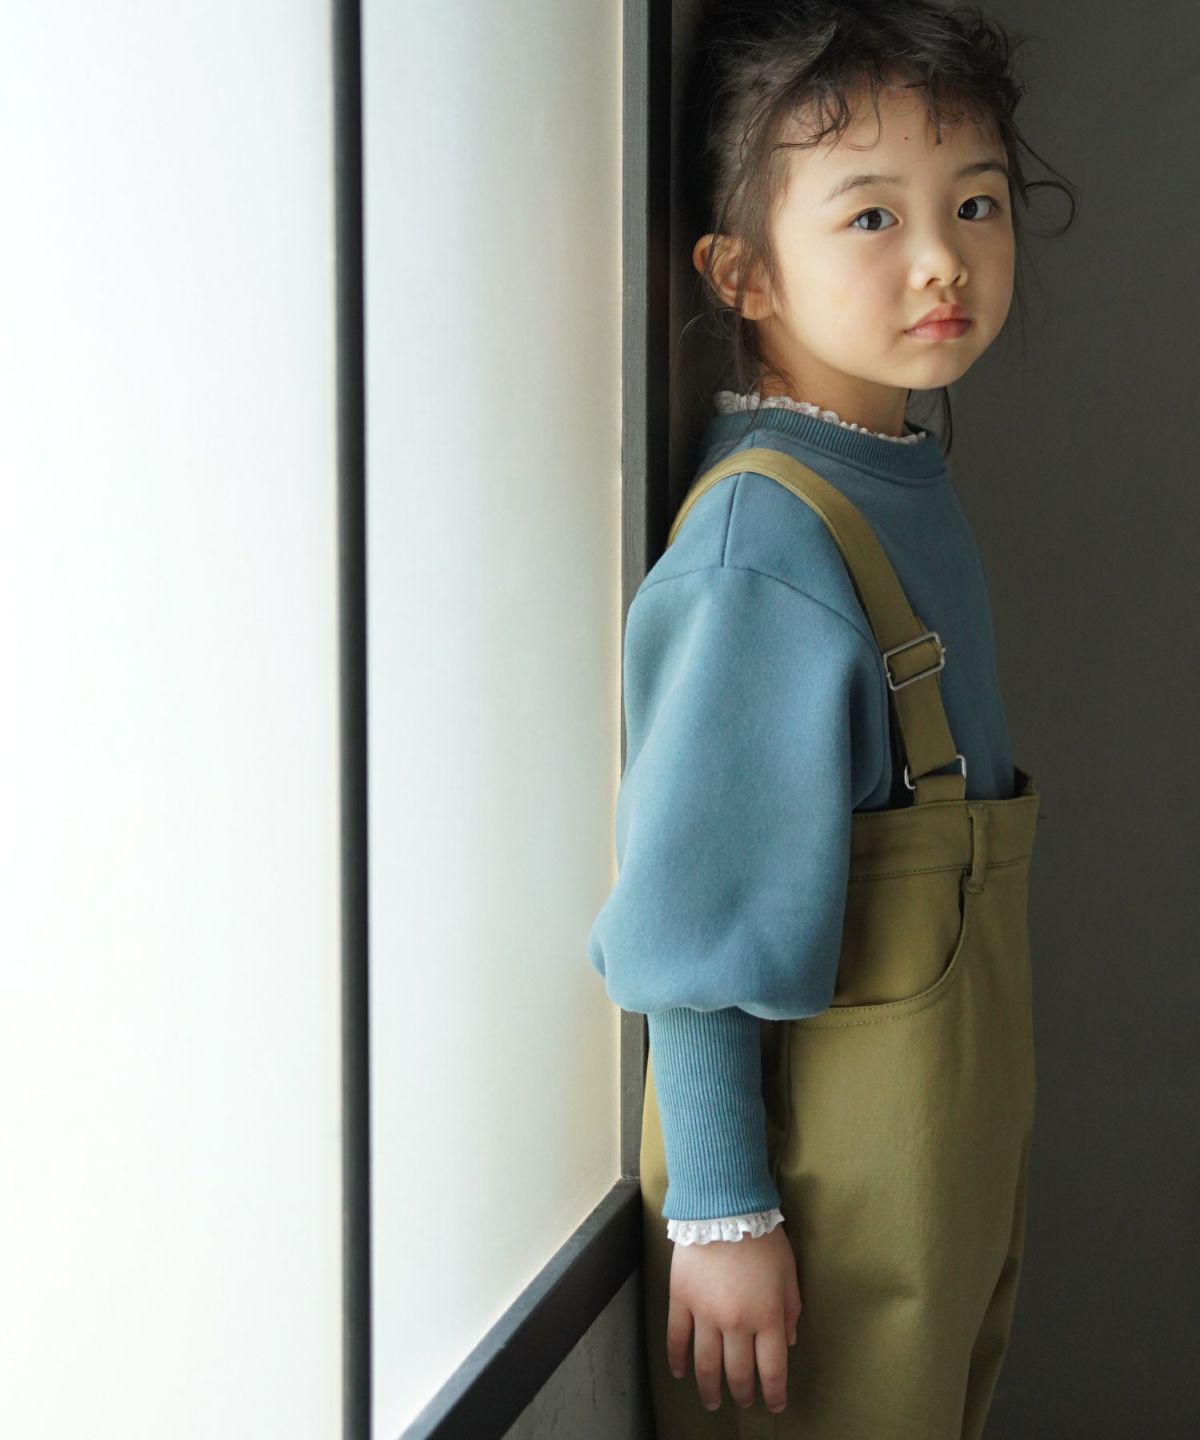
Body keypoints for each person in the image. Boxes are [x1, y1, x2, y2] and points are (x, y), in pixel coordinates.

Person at [587, 2, 1076, 1436]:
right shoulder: (763, 545)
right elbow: (694, 926)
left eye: (975, 201)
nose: (943, 258)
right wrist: (724, 1211)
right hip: (819, 1214)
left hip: (941, 1151)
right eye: (873, 217)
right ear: (742, 271)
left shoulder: (894, 476)